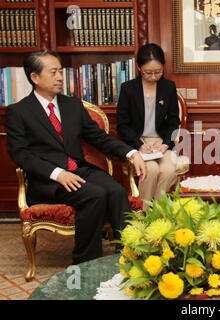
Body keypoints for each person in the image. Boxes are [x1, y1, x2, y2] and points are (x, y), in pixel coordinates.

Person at [5, 50, 147, 265]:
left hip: (79, 169)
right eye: (53, 72)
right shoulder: (19, 111)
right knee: (94, 195)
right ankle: (85, 264)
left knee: (117, 191)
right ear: (35, 77)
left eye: (61, 71)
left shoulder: (72, 105)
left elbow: (98, 138)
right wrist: (57, 174)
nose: (60, 77)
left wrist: (131, 152)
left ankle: (126, 256)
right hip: (48, 179)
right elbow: (21, 154)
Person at [116, 43, 180, 205]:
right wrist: (138, 144)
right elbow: (122, 124)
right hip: (138, 141)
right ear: (139, 68)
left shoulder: (168, 87)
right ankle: (143, 215)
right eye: (148, 72)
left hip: (160, 142)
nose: (153, 77)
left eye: (158, 72)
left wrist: (166, 144)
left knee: (168, 170)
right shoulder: (128, 89)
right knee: (150, 170)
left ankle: (159, 214)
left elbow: (173, 121)